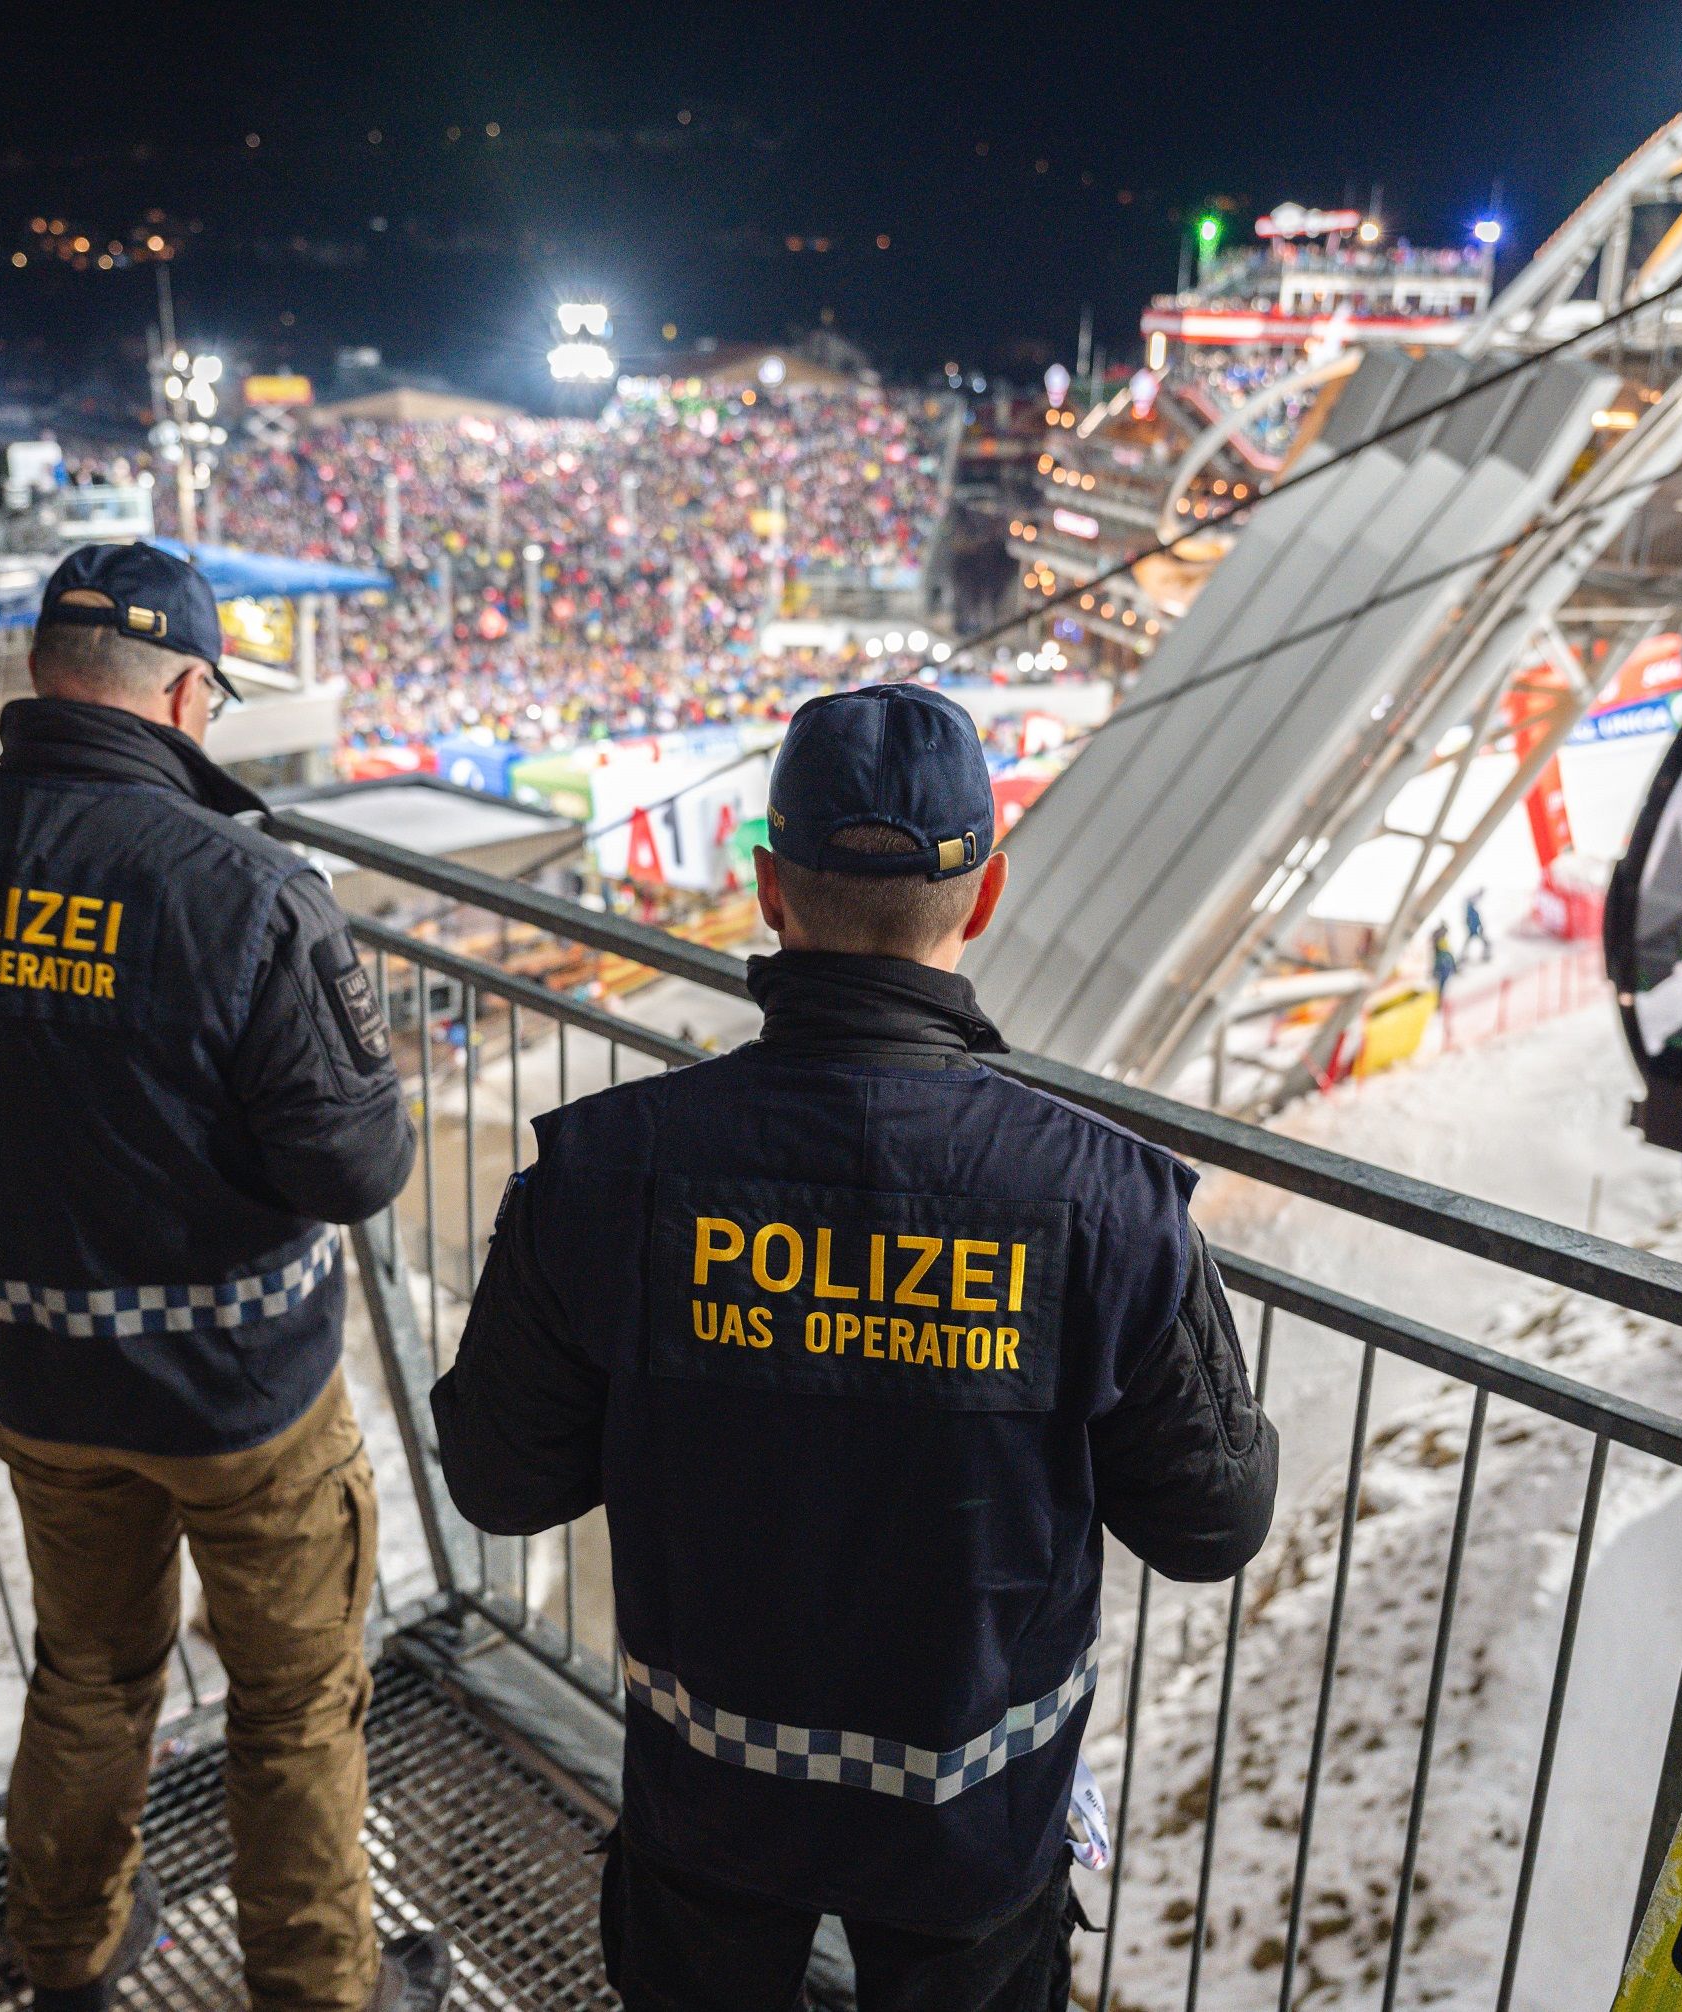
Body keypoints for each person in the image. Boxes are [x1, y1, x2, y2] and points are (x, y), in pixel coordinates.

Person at [431, 683, 1279, 2010]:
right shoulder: (1109, 1201)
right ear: (985, 897)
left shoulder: (605, 1173)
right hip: (974, 1825)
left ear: (771, 891)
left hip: (707, 1804)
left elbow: (498, 1478)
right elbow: (1214, 1522)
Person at [0, 544, 447, 2012]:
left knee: (90, 1676)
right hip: (249, 1399)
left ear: (42, 677)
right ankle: (323, 1990)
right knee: (293, 1704)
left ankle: (74, 1956)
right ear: (180, 693)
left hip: (44, 1378)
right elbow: (357, 1170)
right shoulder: (247, 889)